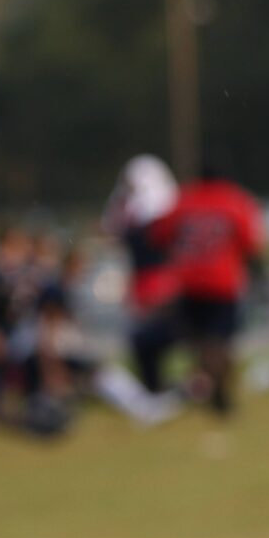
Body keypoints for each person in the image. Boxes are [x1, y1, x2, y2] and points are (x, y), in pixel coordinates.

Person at [151, 157, 265, 415]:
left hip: (189, 281)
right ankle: (219, 393)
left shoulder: (184, 200)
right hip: (224, 282)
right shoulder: (236, 201)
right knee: (220, 341)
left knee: (200, 340)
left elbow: (159, 235)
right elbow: (252, 243)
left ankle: (209, 389)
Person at [102, 155, 182, 394]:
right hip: (144, 281)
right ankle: (154, 384)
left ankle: (156, 383)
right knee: (145, 338)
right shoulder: (134, 208)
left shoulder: (147, 210)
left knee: (152, 335)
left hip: (157, 281)